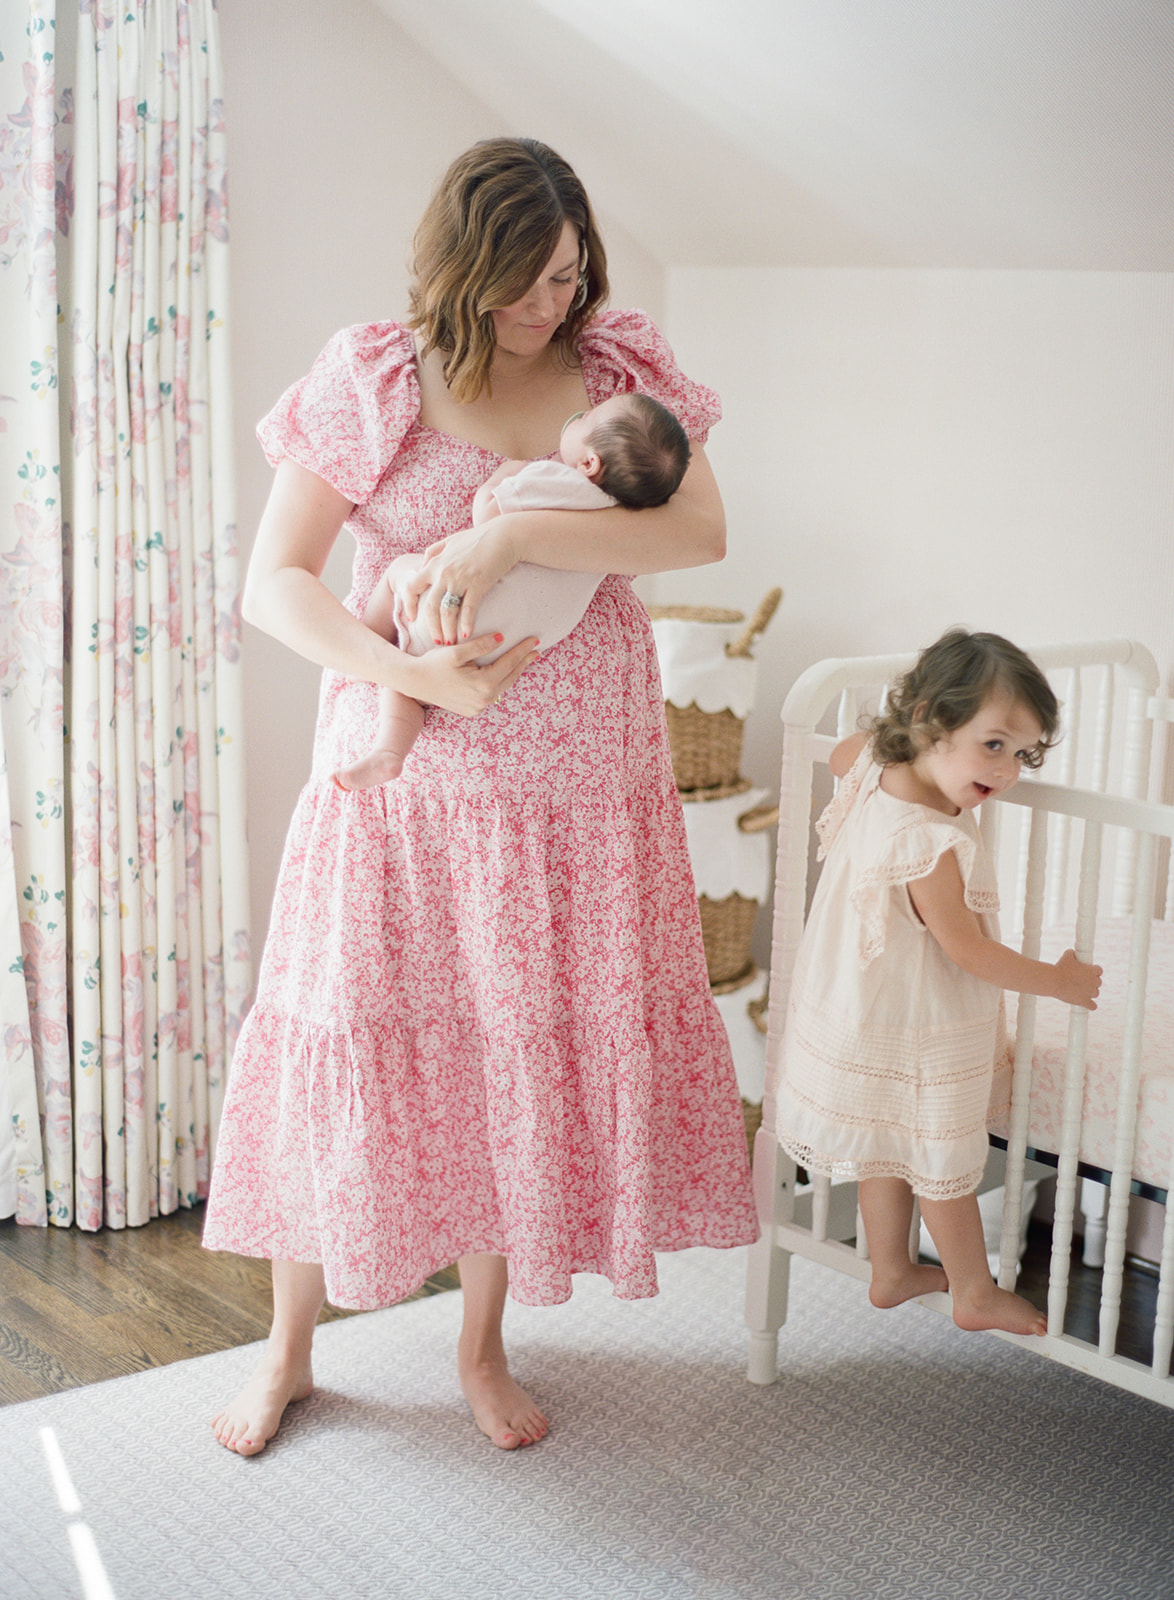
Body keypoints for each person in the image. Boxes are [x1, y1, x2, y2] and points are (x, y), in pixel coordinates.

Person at [203, 136, 758, 1455]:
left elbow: (695, 530)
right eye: (519, 284)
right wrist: (408, 675)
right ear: (460, 268)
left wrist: (510, 533)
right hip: (403, 785)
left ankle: (481, 1346)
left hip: (574, 794)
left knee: (521, 1055)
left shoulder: (617, 366)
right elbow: (273, 584)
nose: (544, 308)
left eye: (565, 276)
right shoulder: (376, 376)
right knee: (353, 1033)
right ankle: (286, 1352)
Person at [775, 629, 1102, 1338]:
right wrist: (1059, 981)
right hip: (917, 1021)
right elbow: (970, 952)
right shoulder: (928, 841)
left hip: (859, 1008)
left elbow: (846, 750)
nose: (1009, 768)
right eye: (994, 744)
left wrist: (896, 735)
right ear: (930, 719)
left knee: (883, 1144)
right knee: (939, 1152)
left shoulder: (867, 767)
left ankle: (890, 1271)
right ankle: (974, 1290)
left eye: (1023, 753)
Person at [334, 392, 690, 790]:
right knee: (412, 692)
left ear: (590, 462)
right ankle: (388, 754)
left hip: (462, 608)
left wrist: (502, 477)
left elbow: (488, 518)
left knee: (397, 576)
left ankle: (372, 661)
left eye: (587, 418)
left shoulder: (562, 480)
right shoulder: (622, 522)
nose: (577, 417)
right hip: (516, 639)